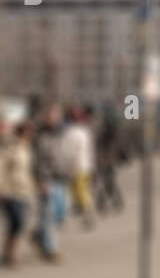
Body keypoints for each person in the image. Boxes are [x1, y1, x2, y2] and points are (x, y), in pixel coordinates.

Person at [32, 102, 68, 261]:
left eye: (57, 114)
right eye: (52, 115)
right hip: (47, 179)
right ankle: (50, 249)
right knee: (48, 215)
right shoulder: (39, 135)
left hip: (61, 177)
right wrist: (40, 180)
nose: (55, 118)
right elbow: (36, 160)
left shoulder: (61, 132)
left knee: (61, 213)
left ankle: (39, 234)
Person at [1, 120, 37, 266]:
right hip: (11, 191)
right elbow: (1, 170)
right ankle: (12, 255)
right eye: (29, 132)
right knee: (18, 222)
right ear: (23, 133)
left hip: (23, 191)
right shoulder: (11, 149)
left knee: (16, 224)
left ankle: (8, 253)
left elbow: (28, 172)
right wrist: (2, 190)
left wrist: (32, 187)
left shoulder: (26, 149)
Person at [60, 105, 96, 229]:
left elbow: (68, 151)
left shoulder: (71, 133)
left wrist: (67, 166)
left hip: (77, 167)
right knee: (81, 191)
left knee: (80, 192)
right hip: (85, 166)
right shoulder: (84, 132)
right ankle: (82, 212)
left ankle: (87, 215)